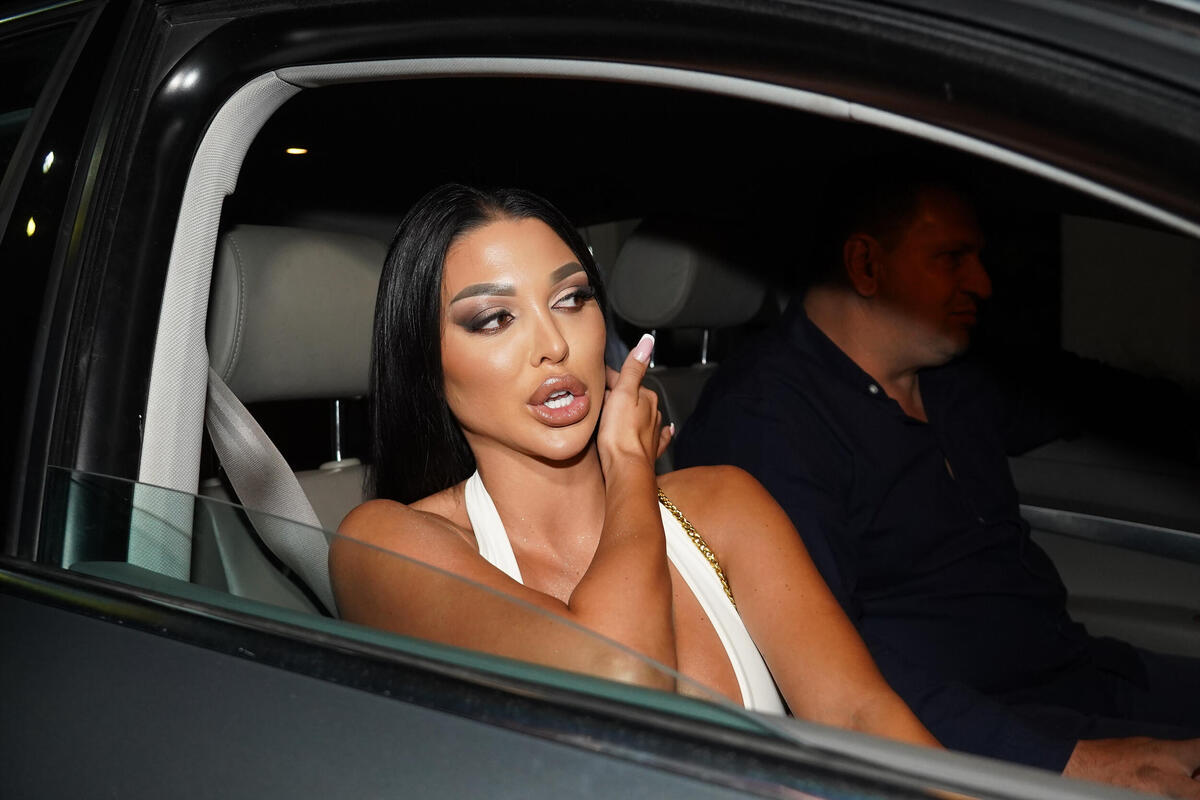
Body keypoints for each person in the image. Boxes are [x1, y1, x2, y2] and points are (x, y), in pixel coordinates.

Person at [331, 183, 938, 748]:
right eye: (494, 319)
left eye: (572, 299)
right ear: (426, 363)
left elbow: (862, 717)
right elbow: (621, 680)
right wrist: (628, 465)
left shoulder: (725, 506)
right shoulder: (384, 546)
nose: (555, 345)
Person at [673, 169, 1200, 796]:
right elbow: (832, 674)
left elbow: (1098, 399)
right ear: (866, 265)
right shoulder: (766, 422)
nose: (982, 283)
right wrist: (1070, 762)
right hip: (973, 734)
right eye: (952, 258)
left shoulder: (952, 378)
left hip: (1079, 673)